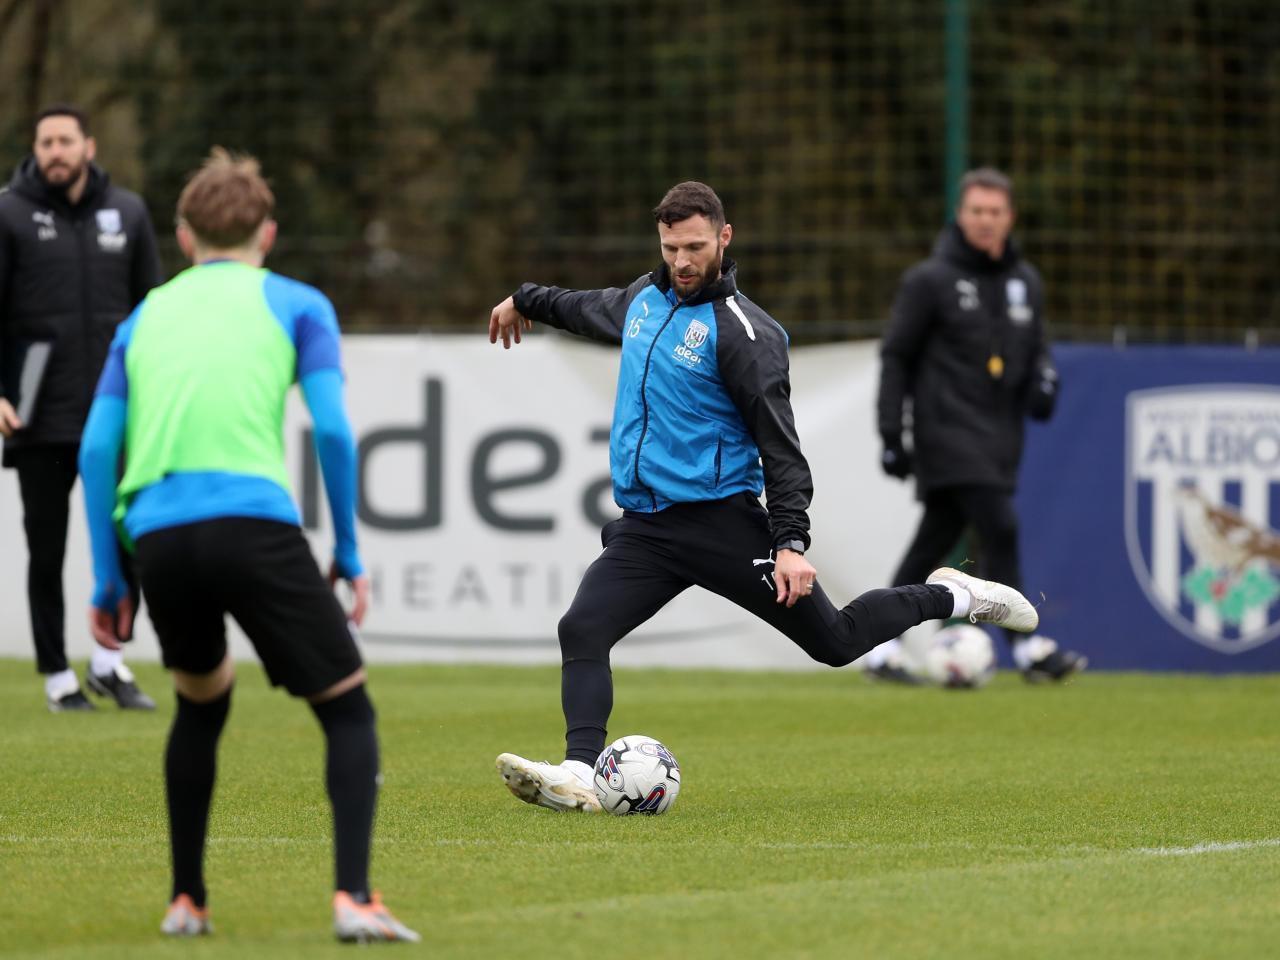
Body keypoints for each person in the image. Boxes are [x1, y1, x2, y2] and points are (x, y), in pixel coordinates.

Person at [486, 180, 1040, 813]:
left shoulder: (746, 334)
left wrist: (790, 542)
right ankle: (581, 774)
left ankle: (956, 594)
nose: (683, 262)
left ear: (724, 238)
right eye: (671, 248)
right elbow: (585, 306)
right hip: (647, 530)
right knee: (582, 627)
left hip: (724, 525)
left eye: (695, 247)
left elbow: (781, 449)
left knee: (835, 643)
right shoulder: (645, 299)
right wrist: (524, 299)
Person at [78, 149, 417, 942]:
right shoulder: (298, 303)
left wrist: (106, 574)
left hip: (158, 534)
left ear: (184, 235)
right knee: (347, 709)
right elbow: (332, 427)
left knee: (202, 699)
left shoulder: (143, 316)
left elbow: (98, 450)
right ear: (267, 232)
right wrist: (350, 549)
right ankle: (354, 899)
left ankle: (187, 901)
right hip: (253, 524)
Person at [871, 167, 1086, 683]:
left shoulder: (1024, 282)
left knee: (932, 544)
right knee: (1000, 528)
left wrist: (1046, 381)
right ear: (960, 216)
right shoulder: (930, 281)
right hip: (945, 433)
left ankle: (879, 649)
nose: (986, 221)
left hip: (999, 440)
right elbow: (897, 356)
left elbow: (1039, 351)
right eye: (976, 211)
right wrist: (891, 433)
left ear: (1009, 217)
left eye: (995, 212)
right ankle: (1028, 647)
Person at [0, 104, 161, 711]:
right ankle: (56, 677)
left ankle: (109, 663)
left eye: (66, 140)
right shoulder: (8, 213)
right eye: (46, 142)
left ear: (88, 146)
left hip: (120, 414)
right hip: (38, 416)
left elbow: (153, 309)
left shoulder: (129, 211)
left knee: (130, 542)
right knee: (46, 547)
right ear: (35, 149)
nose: (56, 151)